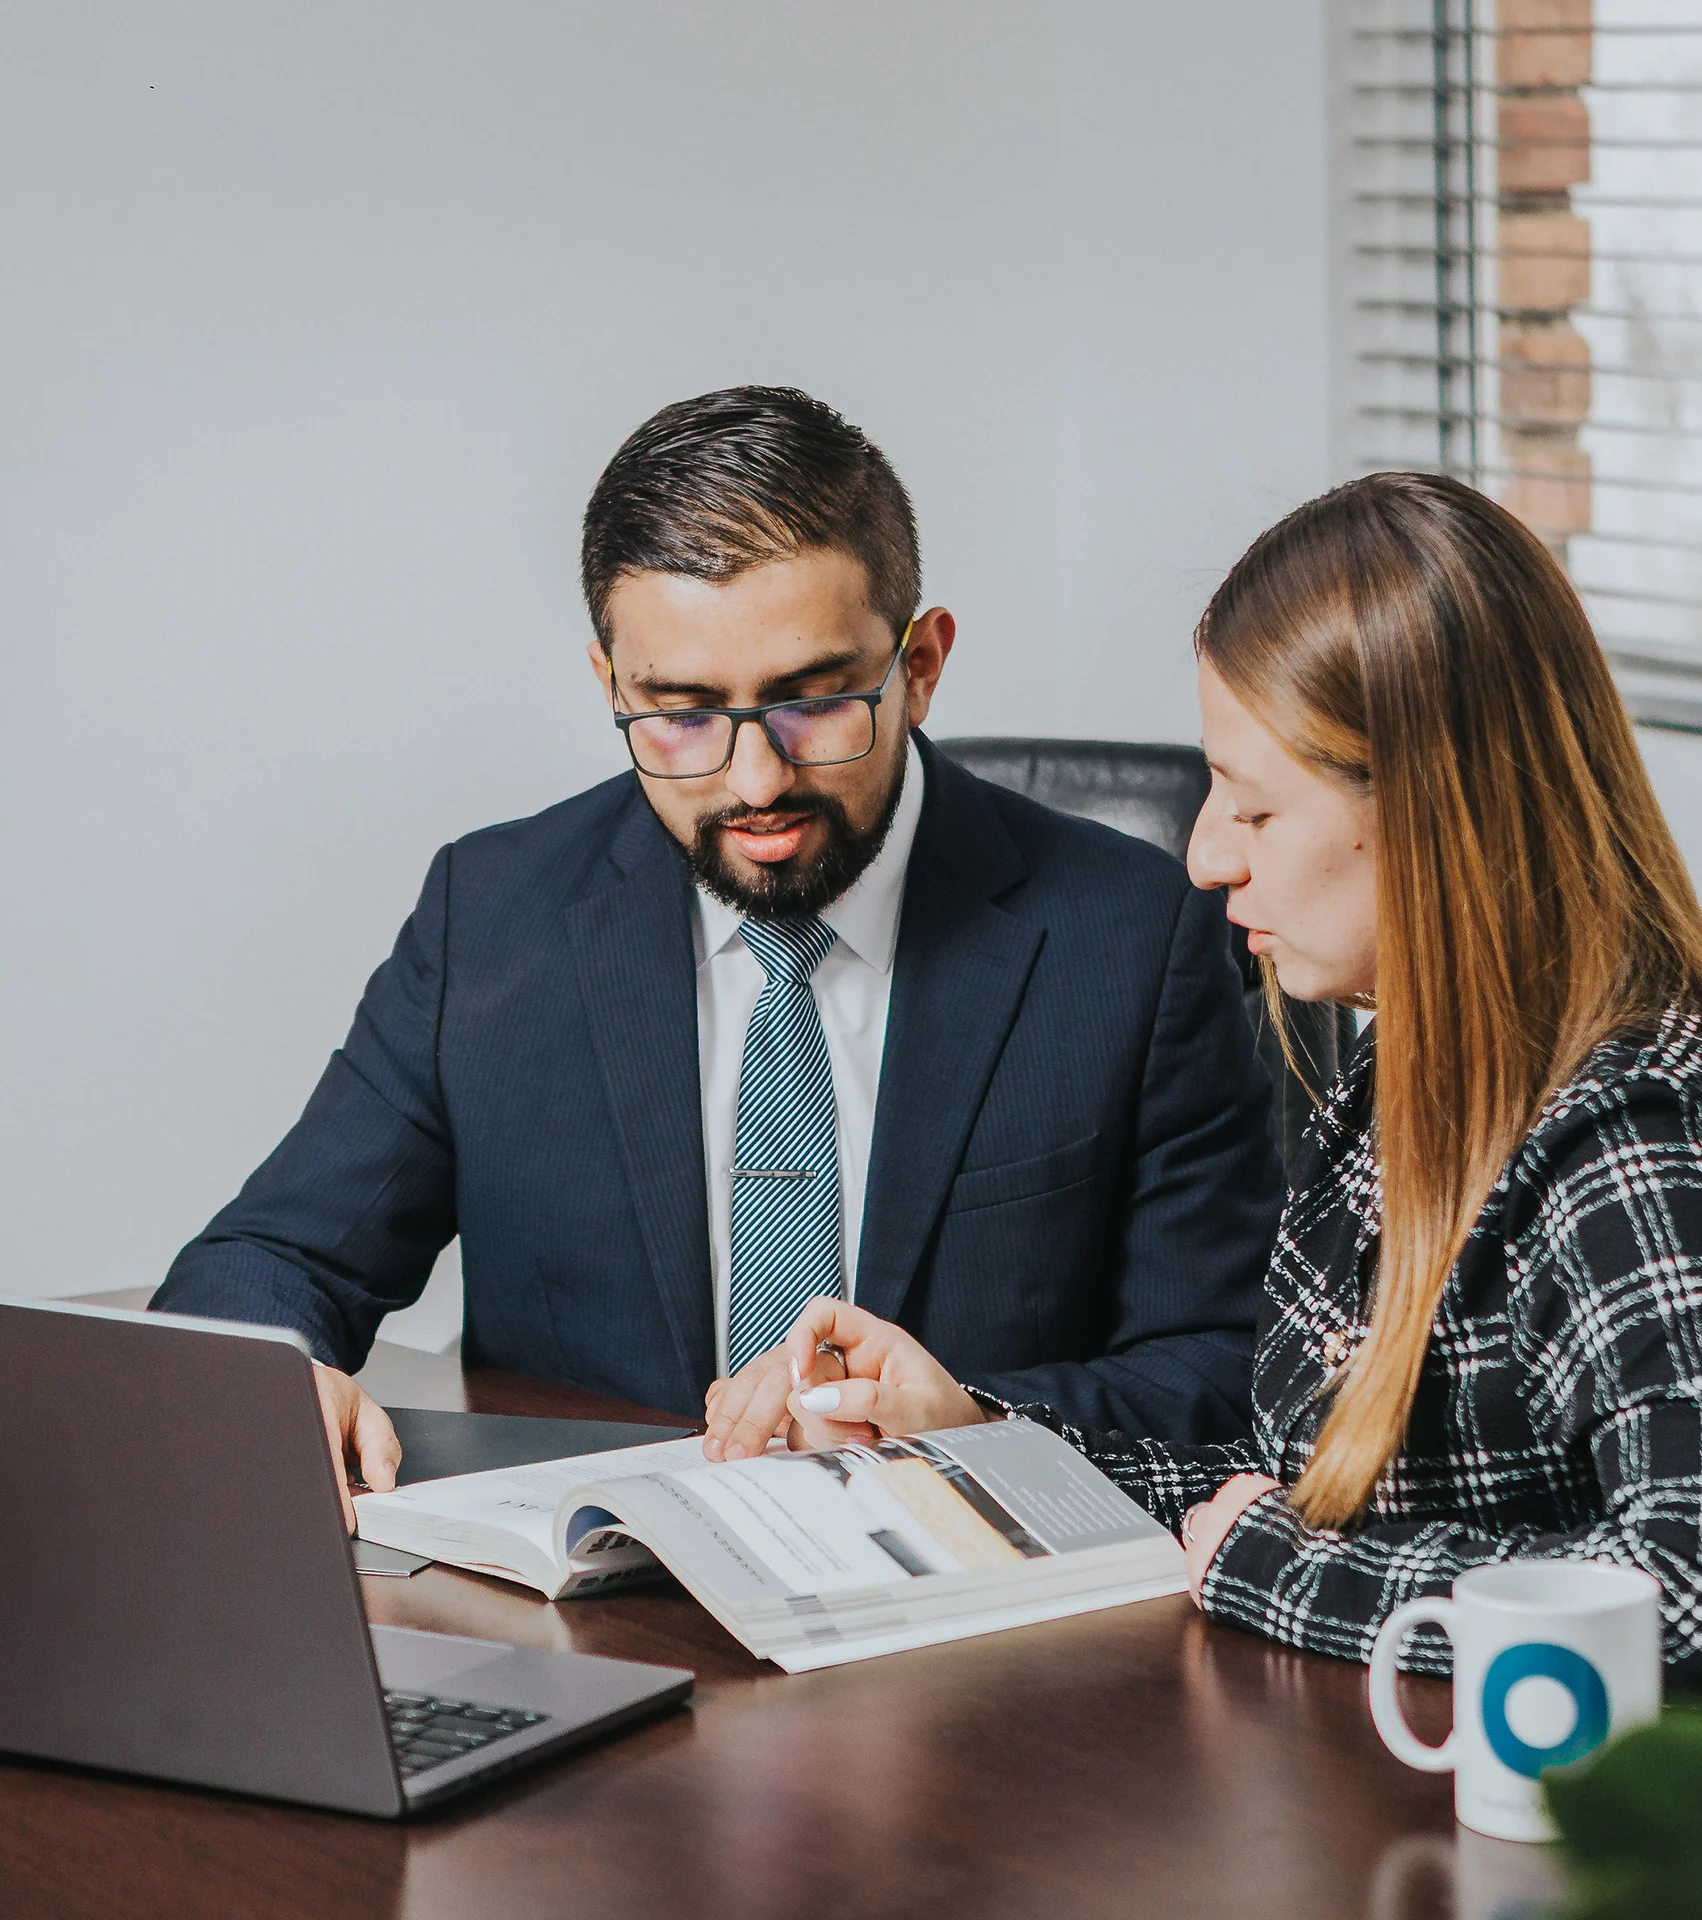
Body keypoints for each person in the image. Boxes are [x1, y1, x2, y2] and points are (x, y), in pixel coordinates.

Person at [712, 470, 1702, 1738]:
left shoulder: (1634, 1135)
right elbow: (1295, 1494)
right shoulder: (1404, 1076)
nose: (1208, 853)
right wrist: (976, 1430)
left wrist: (1274, 1571)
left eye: (1255, 803)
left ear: (1432, 814)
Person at [152, 386, 1281, 1518]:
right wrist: (277, 1376)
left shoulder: (1132, 933)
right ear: (609, 684)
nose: (755, 783)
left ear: (922, 664)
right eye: (681, 713)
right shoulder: (493, 916)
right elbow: (274, 1260)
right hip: (609, 1610)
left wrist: (971, 1421)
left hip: (965, 1614)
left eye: (813, 702)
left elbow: (1227, 1368)